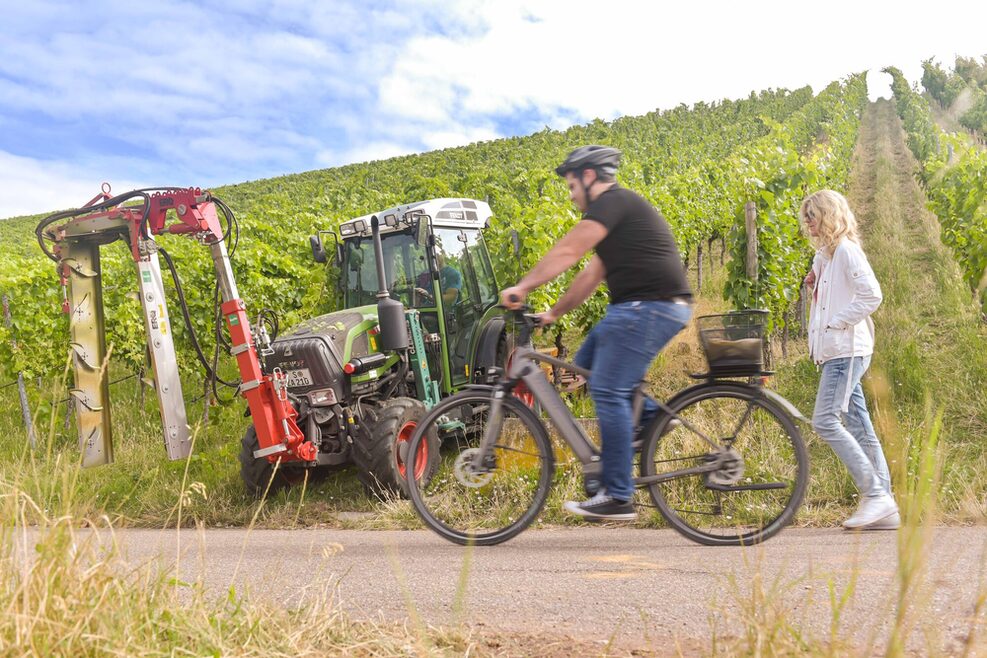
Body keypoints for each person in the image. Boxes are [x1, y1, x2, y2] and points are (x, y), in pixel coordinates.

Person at [500, 145, 693, 521]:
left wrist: (521, 287)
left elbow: (568, 251)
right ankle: (652, 418)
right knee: (586, 362)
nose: (571, 195)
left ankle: (618, 495)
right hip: (637, 309)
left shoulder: (612, 204)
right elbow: (590, 274)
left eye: (572, 185)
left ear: (589, 177)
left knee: (607, 387)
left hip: (649, 307)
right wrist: (554, 312)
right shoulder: (616, 220)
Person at [802, 189, 898, 530]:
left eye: (813, 215)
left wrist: (837, 321)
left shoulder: (846, 252)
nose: (808, 222)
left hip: (847, 349)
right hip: (836, 351)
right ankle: (886, 506)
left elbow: (872, 295)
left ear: (829, 216)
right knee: (858, 422)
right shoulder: (826, 257)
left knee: (825, 421)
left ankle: (876, 497)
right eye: (806, 216)